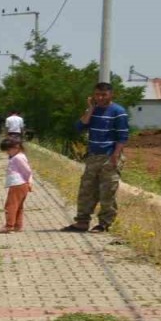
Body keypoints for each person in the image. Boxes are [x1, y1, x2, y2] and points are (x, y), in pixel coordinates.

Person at [64, 82, 130, 233]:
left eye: (103, 95)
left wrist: (116, 155)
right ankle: (82, 222)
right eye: (97, 95)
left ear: (111, 94)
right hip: (93, 156)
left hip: (110, 157)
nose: (100, 98)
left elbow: (123, 136)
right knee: (86, 190)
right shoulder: (93, 111)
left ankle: (104, 223)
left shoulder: (118, 112)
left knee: (107, 191)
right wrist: (91, 108)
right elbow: (80, 127)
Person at [0, 136, 32, 233]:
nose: (7, 152)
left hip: (18, 184)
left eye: (8, 150)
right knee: (19, 206)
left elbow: (28, 171)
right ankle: (18, 225)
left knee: (10, 206)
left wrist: (28, 181)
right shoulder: (19, 156)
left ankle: (9, 226)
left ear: (16, 147)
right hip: (21, 184)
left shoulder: (18, 158)